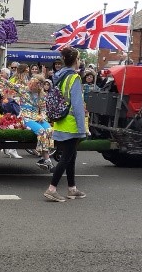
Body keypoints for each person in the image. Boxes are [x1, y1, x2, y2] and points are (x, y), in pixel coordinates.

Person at [44, 47, 87, 202]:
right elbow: (77, 105)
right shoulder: (74, 78)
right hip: (72, 124)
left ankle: (72, 188)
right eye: (79, 58)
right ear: (76, 60)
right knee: (67, 157)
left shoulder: (59, 75)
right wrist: (83, 128)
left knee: (72, 156)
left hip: (61, 121)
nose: (80, 61)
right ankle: (51, 189)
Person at [0, 71, 54, 171]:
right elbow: (8, 83)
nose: (30, 86)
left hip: (37, 117)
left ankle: (45, 159)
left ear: (38, 86)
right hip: (26, 118)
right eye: (30, 83)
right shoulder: (24, 90)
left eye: (33, 85)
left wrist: (42, 116)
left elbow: (43, 110)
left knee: (49, 130)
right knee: (41, 131)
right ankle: (46, 159)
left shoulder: (42, 96)